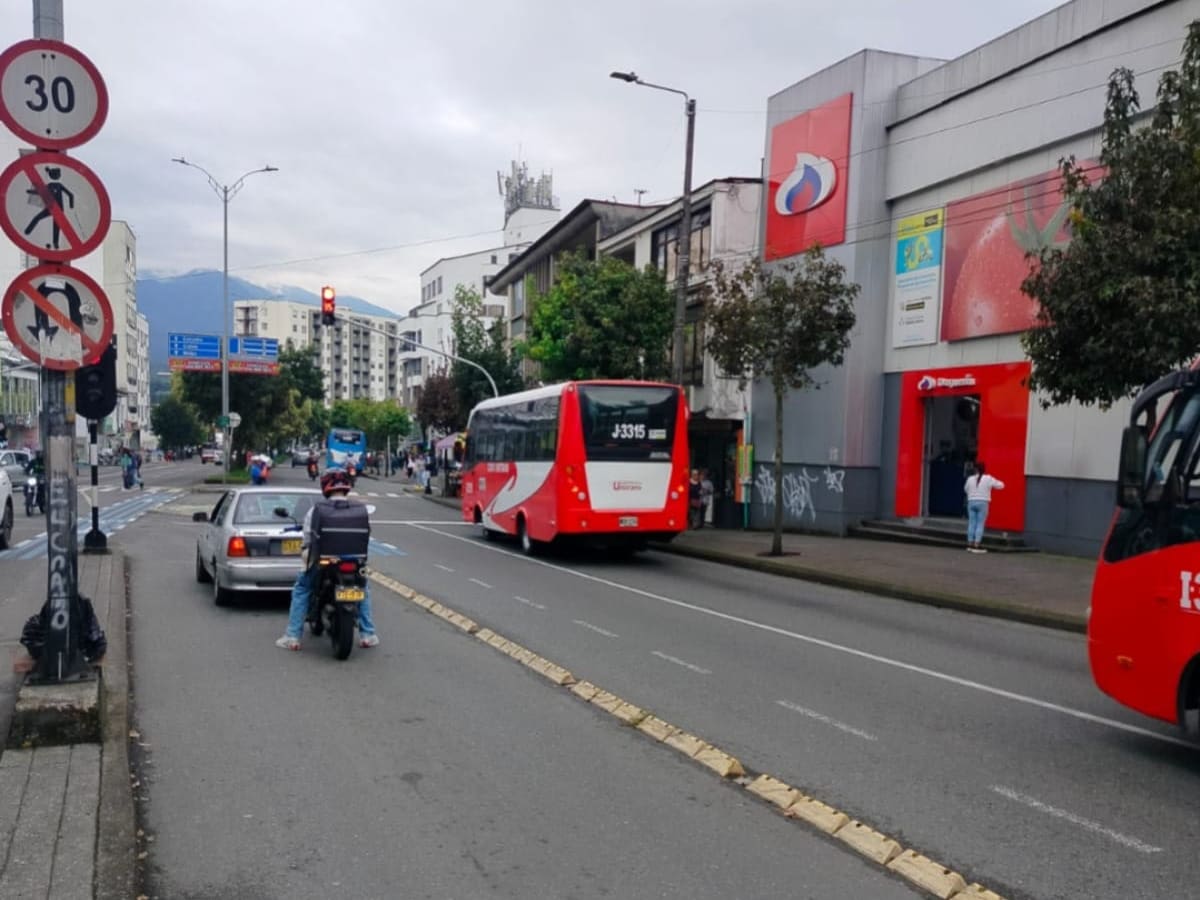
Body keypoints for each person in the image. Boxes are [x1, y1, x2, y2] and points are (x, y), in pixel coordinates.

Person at [276, 468, 380, 651]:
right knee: (363, 590)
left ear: (325, 486)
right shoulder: (359, 509)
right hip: (354, 562)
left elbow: (307, 538)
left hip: (323, 562)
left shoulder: (316, 510)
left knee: (302, 589)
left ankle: (292, 636)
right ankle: (368, 634)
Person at [964, 460, 1005, 553]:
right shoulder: (988, 478)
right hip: (983, 502)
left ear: (975, 469)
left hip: (971, 502)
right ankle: (976, 545)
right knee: (980, 524)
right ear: (984, 469)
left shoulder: (970, 479)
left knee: (971, 523)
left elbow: (965, 489)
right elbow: (1001, 485)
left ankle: (969, 544)